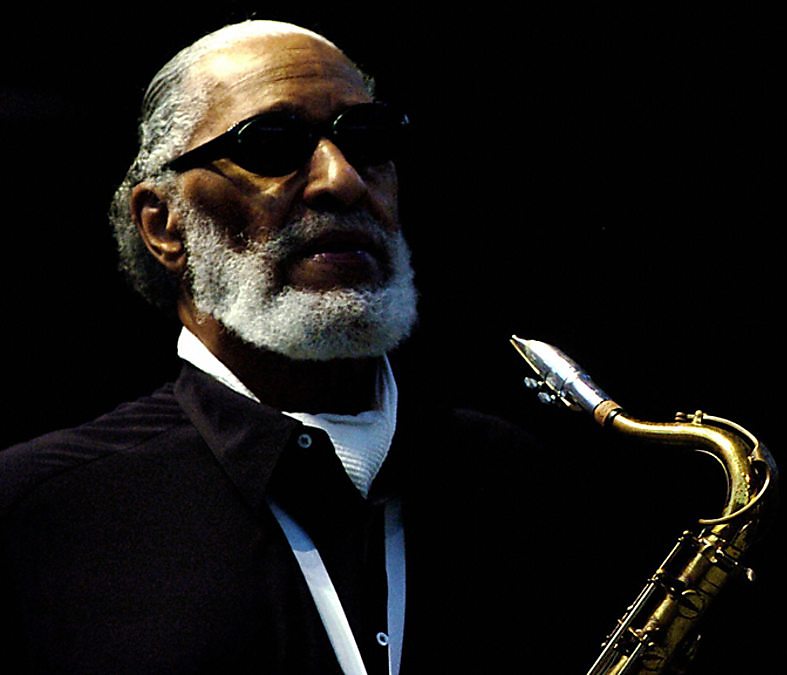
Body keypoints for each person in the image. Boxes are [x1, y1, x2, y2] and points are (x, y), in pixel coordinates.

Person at [0, 19, 596, 674]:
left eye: (367, 139)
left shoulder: (516, 481)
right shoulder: (38, 509)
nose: (342, 180)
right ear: (164, 224)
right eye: (271, 144)